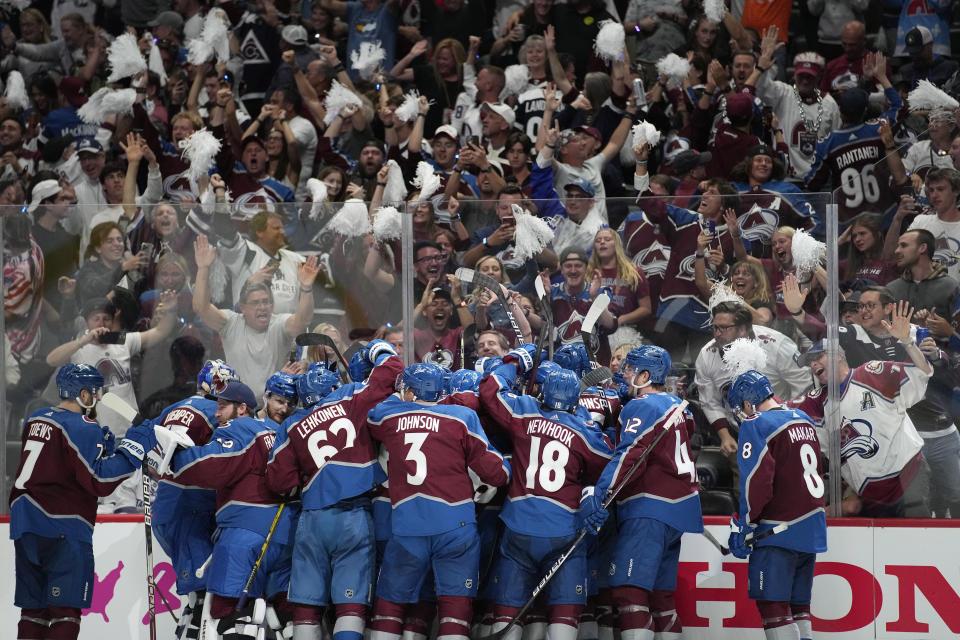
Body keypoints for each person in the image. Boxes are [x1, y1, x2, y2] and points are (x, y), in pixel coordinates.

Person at [9, 363, 157, 640]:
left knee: (34, 611)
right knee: (65, 612)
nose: (99, 398)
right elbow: (97, 482)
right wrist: (131, 451)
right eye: (95, 392)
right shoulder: (83, 425)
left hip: (24, 524)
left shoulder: (37, 417)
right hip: (62, 526)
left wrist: (101, 450)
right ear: (83, 394)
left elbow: (59, 463)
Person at [266, 340, 403, 640]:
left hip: (312, 519)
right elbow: (394, 370)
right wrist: (378, 349)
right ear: (332, 389)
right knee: (351, 607)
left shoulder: (290, 424)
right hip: (353, 515)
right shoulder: (349, 396)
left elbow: (278, 481)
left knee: (305, 607)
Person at [367, 362, 511, 640]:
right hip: (455, 524)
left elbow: (376, 413)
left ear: (409, 391)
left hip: (408, 526)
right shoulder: (461, 417)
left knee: (389, 608)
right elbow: (497, 474)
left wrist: (401, 396)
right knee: (455, 611)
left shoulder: (390, 418)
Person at [477, 346, 612, 640]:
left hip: (519, 527)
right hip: (565, 530)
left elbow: (489, 390)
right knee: (565, 613)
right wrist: (591, 493)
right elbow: (608, 469)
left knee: (507, 614)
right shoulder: (585, 430)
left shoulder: (525, 411)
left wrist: (513, 361)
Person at [580, 346, 702, 640]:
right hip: (678, 510)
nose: (623, 375)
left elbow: (630, 454)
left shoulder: (643, 405)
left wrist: (600, 493)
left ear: (646, 376)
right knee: (661, 598)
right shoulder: (677, 405)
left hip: (649, 508)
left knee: (628, 592)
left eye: (630, 370)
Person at [164, 380, 296, 636]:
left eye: (223, 406)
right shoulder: (283, 432)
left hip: (245, 534)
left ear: (242, 408)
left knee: (233, 615)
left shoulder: (240, 427)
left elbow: (210, 464)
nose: (217, 413)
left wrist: (173, 455)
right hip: (287, 536)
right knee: (285, 616)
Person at [726, 370, 827, 640]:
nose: (742, 415)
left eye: (741, 409)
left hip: (778, 529)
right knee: (799, 609)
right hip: (811, 527)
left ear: (748, 403)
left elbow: (756, 481)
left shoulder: (756, 422)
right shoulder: (803, 418)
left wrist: (744, 523)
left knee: (773, 608)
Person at [793, 326, 932, 517]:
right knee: (882, 546)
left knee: (918, 540)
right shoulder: (816, 402)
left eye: (818, 357)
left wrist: (908, 343)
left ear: (838, 356)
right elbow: (780, 408)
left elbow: (921, 372)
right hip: (871, 494)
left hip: (908, 477)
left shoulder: (870, 373)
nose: (813, 364)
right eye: (810, 362)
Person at [150, 359, 237, 640]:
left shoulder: (172, 409)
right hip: (194, 507)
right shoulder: (216, 410)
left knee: (194, 598)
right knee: (204, 597)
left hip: (165, 506)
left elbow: (151, 459)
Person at [192, 234, 320, 395]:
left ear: (272, 305)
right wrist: (203, 268)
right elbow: (201, 308)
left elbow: (303, 320)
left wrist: (306, 289)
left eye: (266, 302)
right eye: (255, 303)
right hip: (239, 406)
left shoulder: (279, 323)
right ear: (242, 307)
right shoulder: (231, 323)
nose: (262, 307)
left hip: (275, 405)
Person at [694, 301, 812, 457]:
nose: (717, 333)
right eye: (715, 327)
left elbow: (805, 387)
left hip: (783, 429)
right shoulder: (706, 355)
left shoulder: (778, 345)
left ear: (742, 329)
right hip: (741, 433)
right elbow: (710, 401)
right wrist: (725, 436)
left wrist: (794, 425)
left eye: (724, 328)